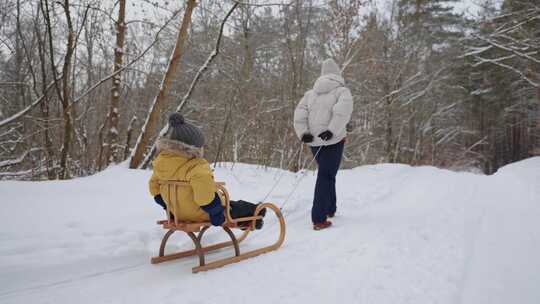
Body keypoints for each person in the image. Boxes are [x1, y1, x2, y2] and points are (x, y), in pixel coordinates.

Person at [149, 113, 264, 229]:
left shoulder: (160, 164)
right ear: (194, 147)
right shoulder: (196, 166)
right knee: (236, 207)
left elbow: (154, 189)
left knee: (229, 206)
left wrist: (168, 207)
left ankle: (248, 218)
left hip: (178, 213)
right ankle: (257, 212)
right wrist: (215, 213)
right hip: (203, 212)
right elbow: (205, 198)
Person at [293, 58, 353, 231]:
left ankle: (330, 208)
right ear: (337, 73)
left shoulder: (310, 94)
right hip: (333, 140)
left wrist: (304, 133)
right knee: (326, 175)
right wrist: (332, 131)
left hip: (314, 141)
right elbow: (343, 112)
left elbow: (299, 115)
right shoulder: (342, 91)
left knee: (327, 173)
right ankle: (318, 218)